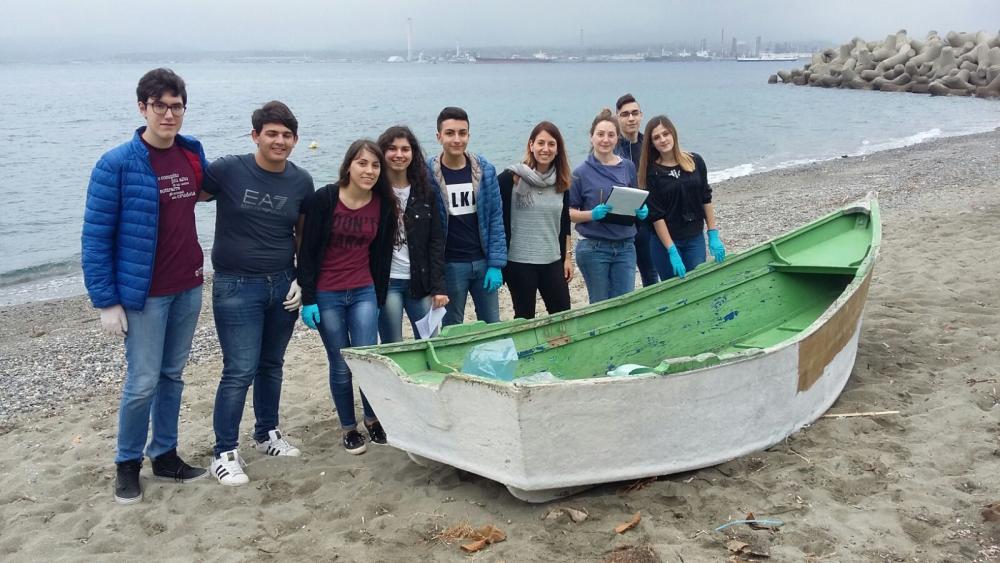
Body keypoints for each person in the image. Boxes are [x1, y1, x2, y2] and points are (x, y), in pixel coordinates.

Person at [82, 68, 209, 504]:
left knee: (172, 376)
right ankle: (127, 463)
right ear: (143, 108)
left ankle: (165, 455)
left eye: (176, 106)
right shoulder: (116, 163)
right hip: (144, 295)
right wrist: (106, 301)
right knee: (142, 382)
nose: (169, 115)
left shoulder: (191, 153)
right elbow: (95, 237)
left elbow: (208, 191)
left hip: (189, 285)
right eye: (160, 106)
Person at [200, 101, 315, 486]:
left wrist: (302, 278)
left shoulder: (301, 181)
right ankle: (224, 452)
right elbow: (185, 197)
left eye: (286, 135)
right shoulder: (229, 170)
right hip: (236, 286)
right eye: (272, 134)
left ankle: (267, 433)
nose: (279, 141)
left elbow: (303, 235)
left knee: (272, 364)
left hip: (283, 284)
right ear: (255, 136)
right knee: (239, 370)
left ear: (295, 140)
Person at [297, 140, 399, 455]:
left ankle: (372, 419)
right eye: (362, 163)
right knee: (340, 364)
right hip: (327, 293)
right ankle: (348, 427)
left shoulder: (383, 204)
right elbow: (307, 251)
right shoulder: (325, 199)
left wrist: (378, 296)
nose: (369, 171)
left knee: (366, 359)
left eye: (375, 165)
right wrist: (308, 298)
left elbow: (382, 256)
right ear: (348, 165)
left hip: (363, 291)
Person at [426, 107, 507, 326]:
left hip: (483, 262)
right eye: (450, 133)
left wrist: (496, 264)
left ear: (469, 135)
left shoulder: (485, 171)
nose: (457, 139)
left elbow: (495, 218)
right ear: (439, 136)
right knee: (452, 327)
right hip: (451, 266)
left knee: (492, 325)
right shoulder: (427, 174)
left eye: (462, 133)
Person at [375, 126, 448, 342]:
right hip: (387, 282)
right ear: (382, 152)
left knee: (430, 342)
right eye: (392, 148)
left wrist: (438, 287)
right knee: (393, 345)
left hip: (420, 281)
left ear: (413, 153)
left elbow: (436, 241)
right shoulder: (374, 192)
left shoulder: (425, 191)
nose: (399, 154)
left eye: (405, 149)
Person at [568, 109, 649, 304]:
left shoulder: (628, 167)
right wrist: (592, 214)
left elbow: (635, 197)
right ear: (591, 137)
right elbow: (569, 212)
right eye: (600, 134)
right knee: (601, 305)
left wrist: (641, 211)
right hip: (594, 248)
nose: (605, 139)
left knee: (624, 303)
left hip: (625, 246)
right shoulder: (580, 173)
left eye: (611, 135)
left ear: (617, 138)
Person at [498, 121, 573, 319]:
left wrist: (567, 258)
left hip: (552, 260)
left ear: (558, 149)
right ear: (531, 145)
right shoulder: (510, 179)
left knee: (563, 316)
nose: (545, 149)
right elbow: (495, 219)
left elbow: (565, 223)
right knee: (524, 318)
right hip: (519, 262)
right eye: (540, 143)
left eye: (551, 144)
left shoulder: (562, 183)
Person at [637, 114, 726, 280]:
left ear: (673, 134)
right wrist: (672, 250)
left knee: (697, 283)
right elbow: (656, 216)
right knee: (675, 288)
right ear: (651, 143)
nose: (663, 140)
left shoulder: (695, 161)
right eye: (656, 137)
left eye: (666, 134)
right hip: (665, 244)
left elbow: (706, 198)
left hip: (694, 238)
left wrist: (713, 233)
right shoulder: (651, 173)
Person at [614, 93, 659, 288]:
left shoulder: (649, 146)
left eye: (634, 113)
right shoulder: (611, 147)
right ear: (618, 118)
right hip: (621, 225)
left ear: (641, 115)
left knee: (651, 275)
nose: (631, 118)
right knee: (624, 281)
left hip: (647, 223)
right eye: (625, 114)